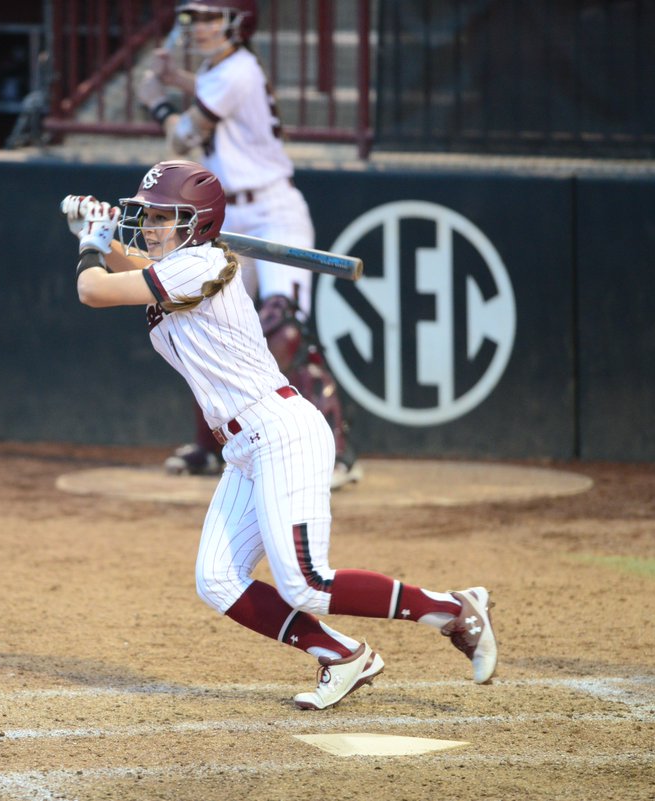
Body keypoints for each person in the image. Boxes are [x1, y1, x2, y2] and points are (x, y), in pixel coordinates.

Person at [61, 160, 497, 709]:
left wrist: (92, 242)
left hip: (280, 430)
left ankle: (453, 609)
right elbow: (126, 272)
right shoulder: (182, 267)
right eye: (148, 216)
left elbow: (94, 290)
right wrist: (95, 231)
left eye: (164, 218)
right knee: (217, 578)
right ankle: (342, 655)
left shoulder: (198, 264)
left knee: (307, 583)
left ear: (197, 224)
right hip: (244, 446)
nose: (151, 227)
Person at [136, 0, 361, 486]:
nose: (201, 28)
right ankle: (218, 445)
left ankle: (335, 453)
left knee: (284, 327)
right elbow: (209, 93)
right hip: (231, 214)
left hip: (273, 212)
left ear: (237, 24)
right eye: (196, 19)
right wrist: (175, 80)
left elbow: (183, 139)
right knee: (209, 324)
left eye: (213, 18)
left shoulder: (235, 71)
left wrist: (156, 99)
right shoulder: (225, 72)